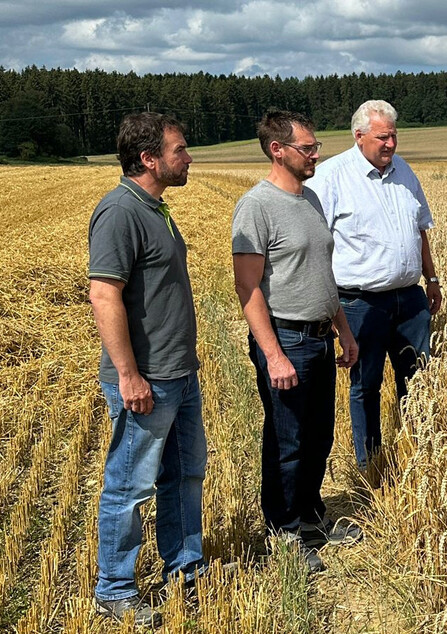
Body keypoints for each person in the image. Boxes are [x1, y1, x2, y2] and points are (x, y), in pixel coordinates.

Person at [88, 112, 203, 627]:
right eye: (179, 150)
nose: (188, 157)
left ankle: (186, 570)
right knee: (130, 487)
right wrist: (128, 375)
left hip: (179, 372)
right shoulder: (119, 212)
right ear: (149, 159)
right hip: (147, 378)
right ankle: (114, 588)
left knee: (185, 474)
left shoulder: (155, 208)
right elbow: (104, 296)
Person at [232, 111, 359, 573]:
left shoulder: (311, 199)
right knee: (287, 443)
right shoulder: (257, 206)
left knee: (319, 436)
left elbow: (323, 274)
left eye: (315, 146)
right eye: (307, 148)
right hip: (286, 339)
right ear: (277, 150)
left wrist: (343, 329)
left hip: (321, 337)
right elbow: (247, 287)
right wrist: (273, 355)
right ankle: (284, 534)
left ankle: (309, 517)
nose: (315, 155)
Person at [306, 100, 440, 468]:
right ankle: (371, 466)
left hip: (410, 300)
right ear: (359, 136)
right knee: (366, 386)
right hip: (359, 302)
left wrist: (431, 278)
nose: (391, 144)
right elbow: (316, 245)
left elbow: (420, 230)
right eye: (383, 137)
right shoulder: (331, 177)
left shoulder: (404, 171)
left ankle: (421, 460)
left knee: (419, 381)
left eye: (394, 136)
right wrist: (330, 307)